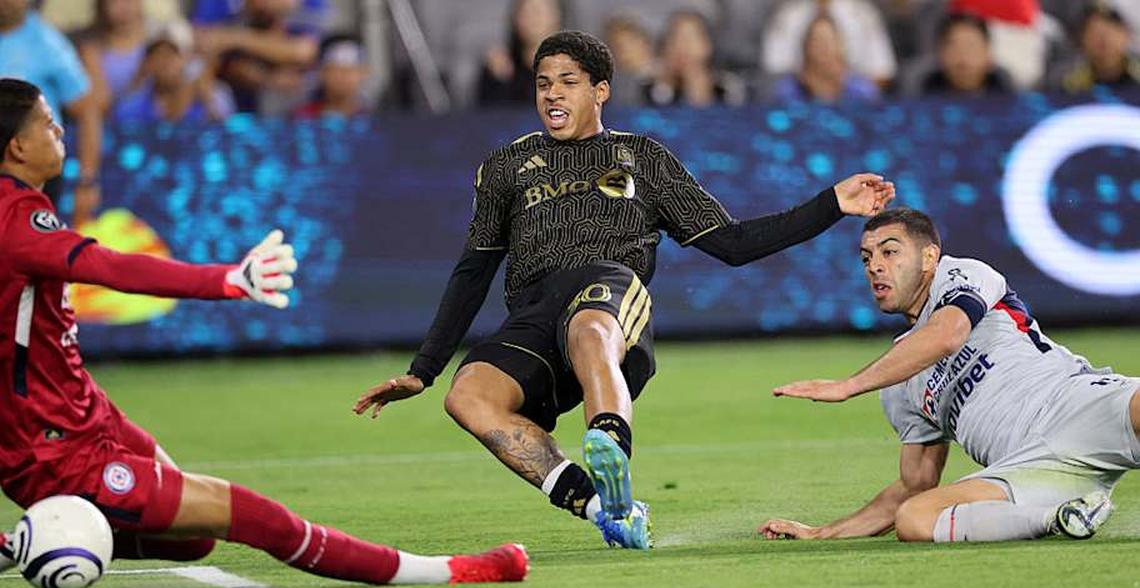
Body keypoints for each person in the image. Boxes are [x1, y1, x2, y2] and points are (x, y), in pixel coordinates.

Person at [353, 31, 895, 550]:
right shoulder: (506, 166)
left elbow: (732, 243)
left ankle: (609, 442)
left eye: (568, 81)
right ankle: (607, 511)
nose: (553, 94)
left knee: (588, 328)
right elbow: (473, 271)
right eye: (543, 83)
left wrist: (830, 205)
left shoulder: (644, 158)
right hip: (535, 312)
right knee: (467, 397)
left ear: (601, 91)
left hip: (610, 295)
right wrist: (425, 370)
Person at [0, 78, 527, 585]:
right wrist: (227, 280)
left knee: (193, 540)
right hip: (56, 450)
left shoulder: (19, 210)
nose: (60, 129)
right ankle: (447, 570)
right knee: (252, 515)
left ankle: (29, 544)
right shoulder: (15, 221)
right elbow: (112, 267)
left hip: (86, 415)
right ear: (18, 146)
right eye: (47, 122)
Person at [761, 208, 1139, 543]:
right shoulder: (897, 381)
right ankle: (1064, 517)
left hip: (1073, 406)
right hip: (1025, 470)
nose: (874, 266)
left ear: (929, 257)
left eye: (889, 252)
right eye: (866, 258)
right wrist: (821, 532)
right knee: (915, 519)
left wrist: (848, 386)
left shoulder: (961, 275)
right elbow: (915, 484)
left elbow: (947, 334)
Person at [0, 0, 102, 227]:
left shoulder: (48, 44)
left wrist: (87, 180)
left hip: (29, 169)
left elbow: (86, 110)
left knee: (30, 239)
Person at [194, 0, 320, 115]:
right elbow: (206, 44)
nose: (263, 4)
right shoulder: (234, 17)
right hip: (240, 110)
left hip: (293, 110)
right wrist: (266, 79)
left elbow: (302, 52)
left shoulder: (297, 17)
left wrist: (236, 38)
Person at [113, 24, 235, 124]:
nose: (165, 62)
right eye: (157, 54)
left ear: (186, 59)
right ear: (147, 62)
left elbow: (226, 131)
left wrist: (207, 101)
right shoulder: (131, 104)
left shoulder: (216, 94)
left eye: (172, 54)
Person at [770, 12, 880, 104]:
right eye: (817, 41)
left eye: (828, 41)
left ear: (840, 45)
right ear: (806, 46)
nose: (823, 47)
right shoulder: (788, 90)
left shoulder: (861, 90)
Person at [644, 10, 746, 108]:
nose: (683, 47)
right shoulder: (648, 87)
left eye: (690, 38)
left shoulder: (727, 88)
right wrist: (665, 86)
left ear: (707, 45)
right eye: (676, 38)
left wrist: (701, 92)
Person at [477, 0, 562, 107]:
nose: (533, 18)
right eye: (525, 12)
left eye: (538, 11)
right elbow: (487, 111)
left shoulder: (572, 67)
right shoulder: (501, 66)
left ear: (556, 16)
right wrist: (500, 81)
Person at [917, 13, 1015, 96]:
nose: (963, 58)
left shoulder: (1009, 100)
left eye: (971, 47)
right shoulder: (921, 98)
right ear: (940, 53)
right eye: (954, 48)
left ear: (987, 53)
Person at [1054, 4, 1140, 94]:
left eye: (1110, 33)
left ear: (1126, 35)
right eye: (1095, 33)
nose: (1104, 40)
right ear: (1082, 39)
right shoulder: (1068, 84)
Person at [293, 36, 371, 119]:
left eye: (350, 70)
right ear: (321, 72)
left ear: (364, 72)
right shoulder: (300, 117)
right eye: (335, 69)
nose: (343, 76)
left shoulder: (374, 117)